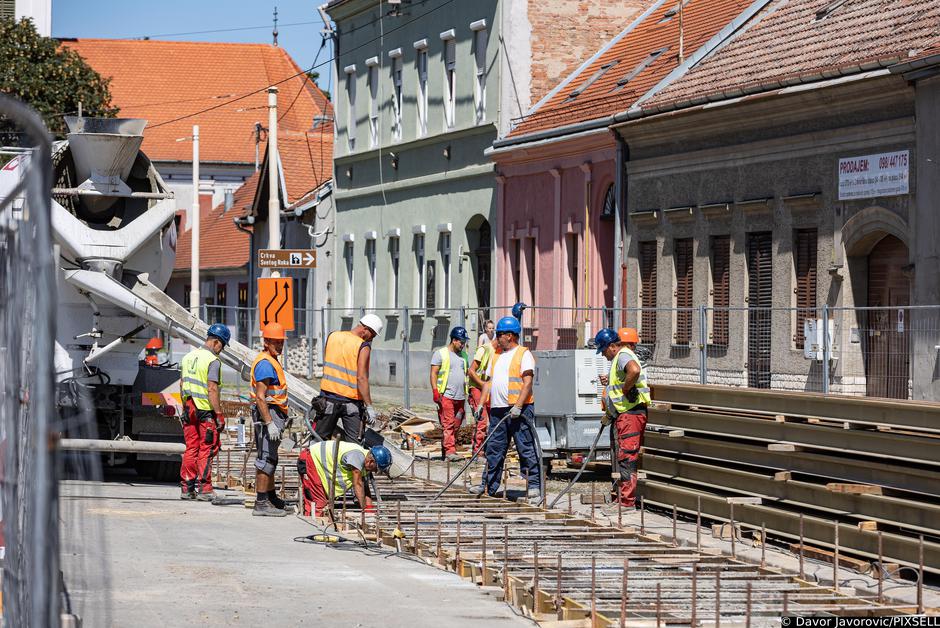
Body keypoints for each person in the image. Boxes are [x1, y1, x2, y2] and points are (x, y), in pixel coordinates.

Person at [470, 316, 540, 502]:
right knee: (494, 449)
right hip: (498, 410)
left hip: (519, 410)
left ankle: (534, 485)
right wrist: (480, 404)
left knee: (525, 447)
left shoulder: (523, 354)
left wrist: (518, 406)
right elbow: (488, 383)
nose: (497, 337)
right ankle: (489, 486)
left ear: (510, 336)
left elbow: (527, 383)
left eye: (500, 334)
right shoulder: (497, 355)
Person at [596, 327, 650, 509]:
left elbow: (633, 371)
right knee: (623, 457)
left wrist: (626, 389)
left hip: (631, 415)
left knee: (627, 457)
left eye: (603, 351)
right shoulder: (620, 358)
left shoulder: (623, 355)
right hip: (625, 415)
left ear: (612, 346)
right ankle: (621, 499)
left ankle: (626, 503)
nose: (603, 355)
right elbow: (623, 378)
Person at [314, 314, 383, 443]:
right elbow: (361, 378)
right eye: (372, 335)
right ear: (365, 329)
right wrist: (369, 406)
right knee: (354, 445)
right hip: (350, 403)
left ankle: (313, 462)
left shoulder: (332, 336)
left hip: (327, 399)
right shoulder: (363, 346)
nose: (371, 339)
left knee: (318, 440)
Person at [179, 324, 229, 501]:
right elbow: (212, 388)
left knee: (191, 449)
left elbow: (181, 384)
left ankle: (187, 488)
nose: (221, 350)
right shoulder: (212, 360)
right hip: (205, 411)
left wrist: (185, 406)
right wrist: (219, 414)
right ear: (216, 342)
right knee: (206, 449)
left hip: (188, 409)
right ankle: (205, 489)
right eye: (221, 346)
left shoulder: (188, 357)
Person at [251, 322, 292, 516]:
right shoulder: (265, 363)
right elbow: (261, 396)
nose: (279, 345)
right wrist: (269, 423)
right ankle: (261, 503)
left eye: (281, 342)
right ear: (266, 342)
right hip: (269, 414)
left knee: (271, 458)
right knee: (265, 458)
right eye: (275, 342)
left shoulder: (271, 360)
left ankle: (270, 496)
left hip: (275, 413)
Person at [298, 443, 392, 517]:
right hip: (310, 459)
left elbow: (365, 488)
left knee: (321, 502)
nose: (375, 472)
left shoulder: (365, 464)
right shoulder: (357, 456)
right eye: (376, 468)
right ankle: (312, 527)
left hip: (318, 466)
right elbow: (358, 484)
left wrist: (369, 509)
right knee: (318, 502)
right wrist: (364, 509)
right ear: (371, 462)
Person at [430, 326, 470, 462]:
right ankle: (450, 452)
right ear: (454, 340)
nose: (463, 345)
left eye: (464, 342)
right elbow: (433, 373)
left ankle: (446, 449)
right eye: (461, 342)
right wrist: (435, 391)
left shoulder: (464, 356)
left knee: (456, 425)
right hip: (446, 395)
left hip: (460, 397)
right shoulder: (441, 354)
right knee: (448, 424)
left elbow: (466, 374)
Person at [467, 333, 496, 455]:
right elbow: (471, 371)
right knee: (482, 418)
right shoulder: (484, 349)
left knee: (495, 418)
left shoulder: (501, 352)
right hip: (477, 387)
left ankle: (490, 449)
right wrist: (482, 384)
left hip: (489, 388)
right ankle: (477, 451)